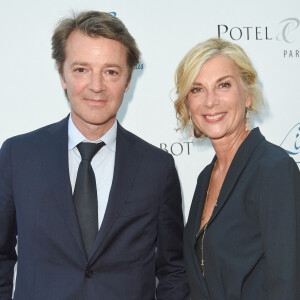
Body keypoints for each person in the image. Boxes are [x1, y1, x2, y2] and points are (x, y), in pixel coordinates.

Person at [0, 11, 189, 300]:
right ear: (62, 73)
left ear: (127, 80)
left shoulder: (157, 167)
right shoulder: (18, 156)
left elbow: (173, 269)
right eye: (81, 70)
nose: (96, 86)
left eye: (111, 71)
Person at [174, 38, 300, 299]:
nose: (210, 101)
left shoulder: (273, 169)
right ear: (187, 104)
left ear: (248, 94)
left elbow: (287, 282)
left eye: (224, 85)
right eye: (197, 89)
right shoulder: (205, 179)